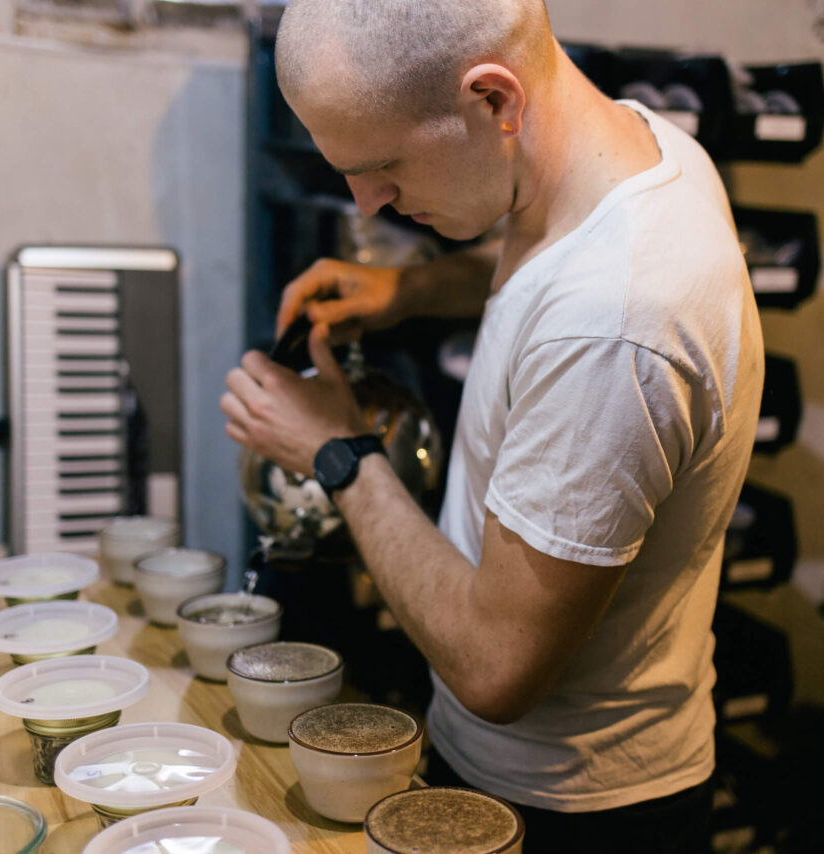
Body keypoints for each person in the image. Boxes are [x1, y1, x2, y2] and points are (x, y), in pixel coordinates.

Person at [219, 1, 764, 850]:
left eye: (385, 164)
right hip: (532, 778)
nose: (367, 205)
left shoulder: (616, 324)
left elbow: (493, 667)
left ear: (494, 101)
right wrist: (406, 292)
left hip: (574, 811)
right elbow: (549, 244)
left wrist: (338, 452)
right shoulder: (639, 150)